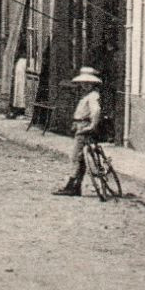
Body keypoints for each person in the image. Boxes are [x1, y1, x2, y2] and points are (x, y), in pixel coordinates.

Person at [52, 67, 103, 197]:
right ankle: (76, 186)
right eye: (83, 82)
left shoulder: (93, 96)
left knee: (75, 157)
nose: (85, 85)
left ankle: (71, 186)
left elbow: (96, 111)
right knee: (80, 159)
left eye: (88, 82)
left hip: (84, 127)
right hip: (81, 124)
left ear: (93, 83)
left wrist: (92, 125)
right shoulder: (87, 95)